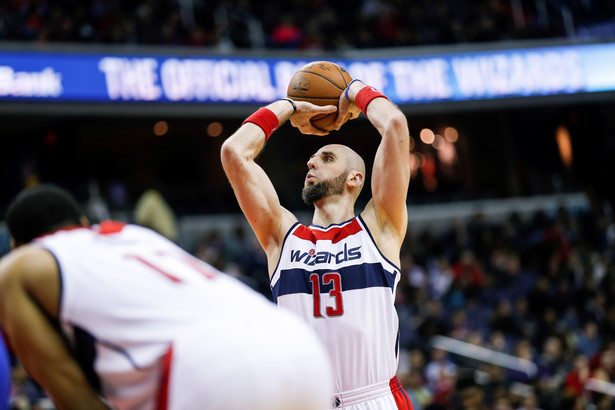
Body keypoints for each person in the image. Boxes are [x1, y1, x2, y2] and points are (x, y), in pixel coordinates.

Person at [0, 184, 333, 410]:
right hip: (296, 346)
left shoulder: (18, 266)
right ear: (84, 222)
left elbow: (69, 392)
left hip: (208, 368)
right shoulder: (134, 235)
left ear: (16, 245)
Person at [221, 74, 412, 409]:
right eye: (312, 158)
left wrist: (352, 90)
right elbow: (234, 152)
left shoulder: (379, 227)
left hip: (374, 397)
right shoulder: (283, 237)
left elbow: (394, 124)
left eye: (327, 158)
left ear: (355, 178)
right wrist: (290, 107)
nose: (311, 162)